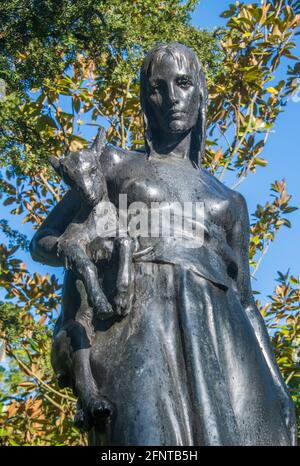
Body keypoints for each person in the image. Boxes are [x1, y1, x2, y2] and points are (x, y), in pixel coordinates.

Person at [30, 43, 296, 446]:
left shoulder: (231, 201)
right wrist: (77, 256)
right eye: (158, 88)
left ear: (201, 92)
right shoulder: (115, 166)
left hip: (224, 338)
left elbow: (245, 301)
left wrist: (278, 389)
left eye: (183, 83)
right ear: (145, 97)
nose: (172, 98)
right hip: (139, 333)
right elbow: (43, 241)